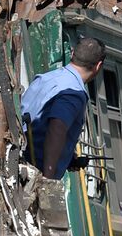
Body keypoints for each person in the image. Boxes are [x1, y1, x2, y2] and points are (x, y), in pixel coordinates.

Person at [21, 36, 106, 179]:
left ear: (72, 53)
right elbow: (57, 128)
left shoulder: (45, 78)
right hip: (34, 174)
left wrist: (68, 158)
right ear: (98, 66)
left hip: (19, 160)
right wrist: (48, 177)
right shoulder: (73, 93)